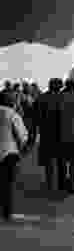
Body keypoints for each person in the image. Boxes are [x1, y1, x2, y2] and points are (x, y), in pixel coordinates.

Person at [0, 91, 29, 221]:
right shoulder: (12, 114)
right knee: (6, 184)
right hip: (8, 153)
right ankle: (6, 212)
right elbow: (22, 136)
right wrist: (23, 148)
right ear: (10, 102)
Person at [36, 78, 66, 192]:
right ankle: (61, 185)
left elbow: (36, 115)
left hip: (46, 133)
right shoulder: (64, 98)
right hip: (61, 133)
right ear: (60, 86)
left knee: (48, 161)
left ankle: (49, 184)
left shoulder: (42, 98)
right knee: (61, 160)